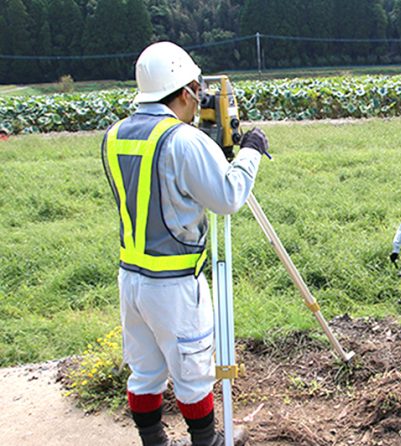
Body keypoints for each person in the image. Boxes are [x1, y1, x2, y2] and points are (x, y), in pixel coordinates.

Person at [101, 41, 268, 446]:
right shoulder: (182, 141)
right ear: (184, 90)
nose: (201, 97)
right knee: (194, 377)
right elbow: (227, 198)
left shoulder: (114, 135)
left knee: (145, 371)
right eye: (196, 88)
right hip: (174, 284)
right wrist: (250, 153)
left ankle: (155, 442)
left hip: (132, 279)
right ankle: (208, 441)